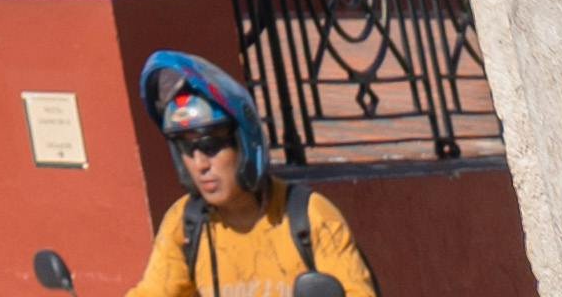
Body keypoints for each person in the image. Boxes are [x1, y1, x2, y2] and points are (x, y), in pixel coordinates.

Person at [129, 53, 383, 297]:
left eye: (211, 146)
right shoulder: (185, 224)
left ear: (245, 143)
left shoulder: (308, 216)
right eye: (186, 148)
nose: (200, 164)